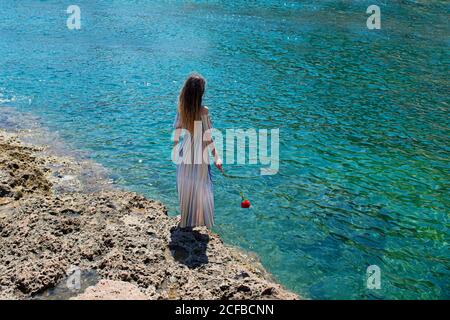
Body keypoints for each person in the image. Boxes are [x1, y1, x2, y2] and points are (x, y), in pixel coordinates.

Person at [172, 73, 223, 229]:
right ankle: (199, 221)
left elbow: (177, 130)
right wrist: (217, 157)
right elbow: (208, 137)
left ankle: (185, 219)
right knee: (201, 187)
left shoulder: (182, 109)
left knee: (186, 185)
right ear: (200, 93)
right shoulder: (204, 111)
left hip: (184, 151)